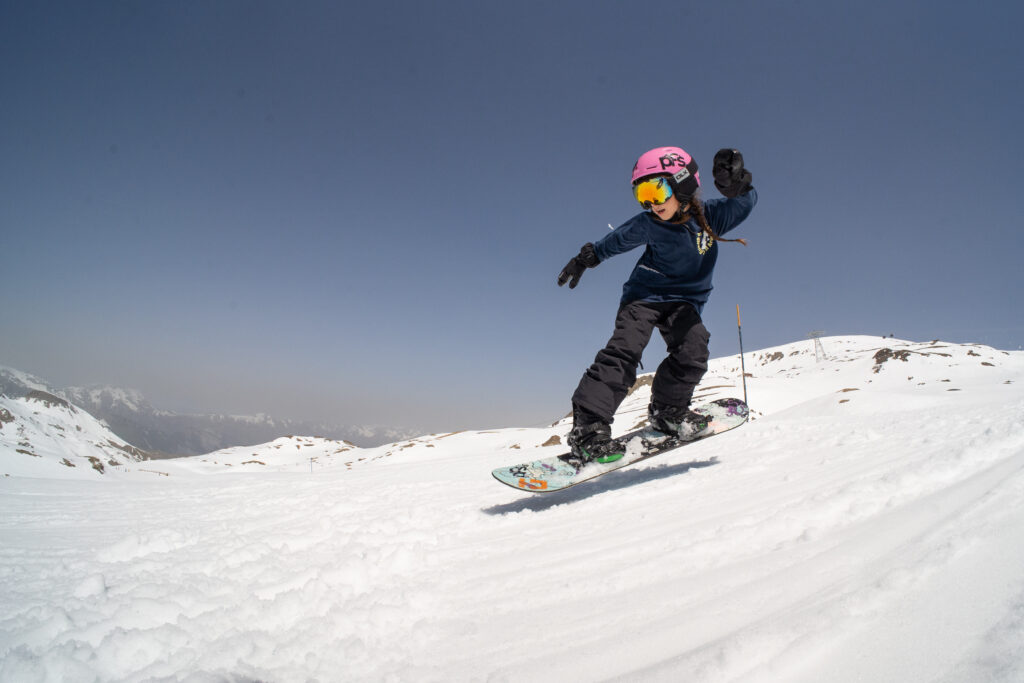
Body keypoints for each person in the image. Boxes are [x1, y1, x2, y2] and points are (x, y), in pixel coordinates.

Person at [557, 146, 757, 463]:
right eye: (641, 194)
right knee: (625, 350)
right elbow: (615, 241)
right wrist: (586, 258)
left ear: (683, 185)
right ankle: (589, 429)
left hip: (684, 304)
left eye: (655, 190)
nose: (650, 203)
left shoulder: (713, 217)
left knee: (694, 351)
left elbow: (744, 204)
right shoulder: (650, 223)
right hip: (644, 297)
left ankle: (668, 411)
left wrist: (737, 187)